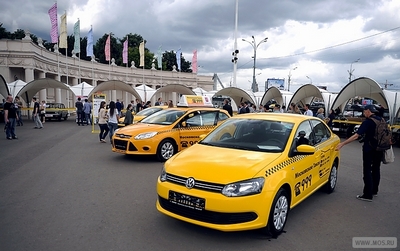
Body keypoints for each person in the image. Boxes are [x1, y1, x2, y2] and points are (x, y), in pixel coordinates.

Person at [335, 105, 384, 202]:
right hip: (380, 149)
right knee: (376, 169)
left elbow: (356, 136)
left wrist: (343, 143)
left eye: (364, 111)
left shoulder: (368, 122)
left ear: (368, 111)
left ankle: (367, 195)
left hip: (369, 149)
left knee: (367, 170)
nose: (363, 113)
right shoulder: (381, 119)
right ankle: (375, 190)